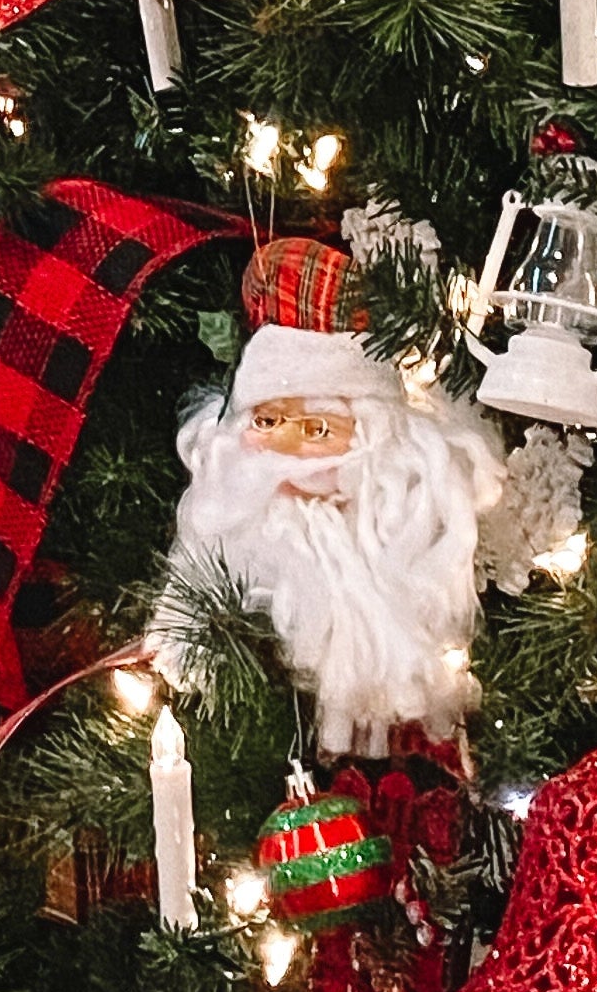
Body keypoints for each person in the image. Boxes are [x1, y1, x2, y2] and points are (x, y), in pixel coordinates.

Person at [167, 267, 504, 757]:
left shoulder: (405, 527)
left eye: (319, 429)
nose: (289, 449)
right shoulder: (234, 531)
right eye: (267, 421)